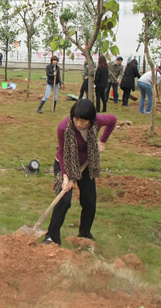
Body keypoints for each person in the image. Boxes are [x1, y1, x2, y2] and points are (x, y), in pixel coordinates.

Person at [43, 99, 116, 245]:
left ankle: (84, 233)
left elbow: (113, 120)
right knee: (64, 200)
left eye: (83, 121)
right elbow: (63, 152)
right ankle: (51, 237)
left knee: (89, 200)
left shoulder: (98, 121)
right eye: (76, 119)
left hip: (85, 164)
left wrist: (102, 141)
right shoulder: (63, 127)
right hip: (65, 163)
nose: (79, 124)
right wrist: (65, 176)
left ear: (91, 120)